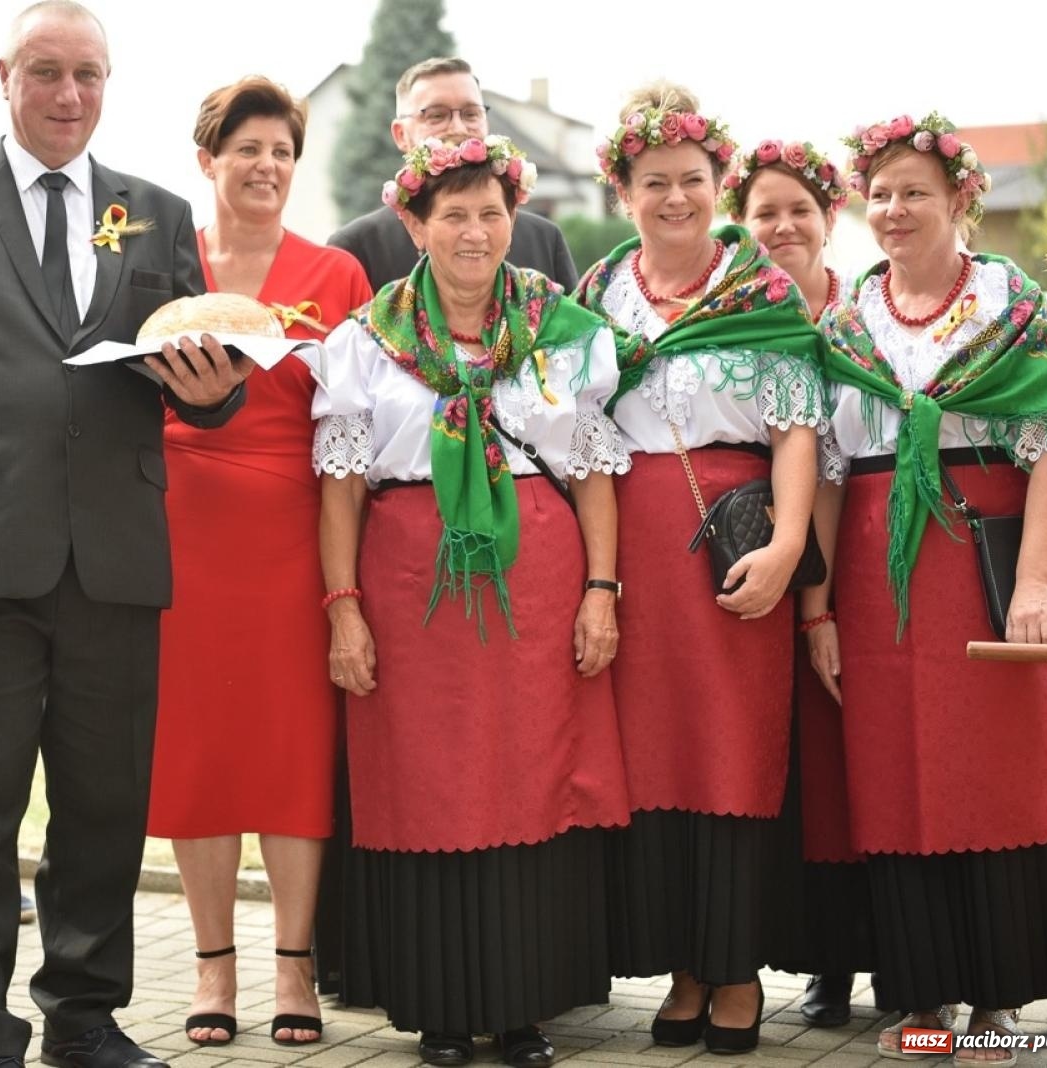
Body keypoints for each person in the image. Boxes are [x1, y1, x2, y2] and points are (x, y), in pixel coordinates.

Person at [0, 4, 249, 1067]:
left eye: (90, 74)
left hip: (117, 552)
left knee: (105, 803)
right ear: (4, 75)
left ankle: (84, 1015)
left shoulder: (157, 213)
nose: (69, 95)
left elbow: (198, 368)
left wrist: (213, 396)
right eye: (47, 72)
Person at [317, 134, 631, 1068]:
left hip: (539, 584)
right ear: (412, 224)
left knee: (536, 773)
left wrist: (601, 594)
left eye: (490, 212)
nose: (475, 230)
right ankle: (444, 1010)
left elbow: (592, 472)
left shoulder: (563, 331)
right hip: (412, 589)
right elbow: (339, 484)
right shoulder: (362, 342)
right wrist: (343, 607)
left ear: (514, 222)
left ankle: (525, 1005)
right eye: (452, 213)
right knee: (428, 788)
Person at [575, 83, 826, 1054]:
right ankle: (681, 966)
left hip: (736, 544)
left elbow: (797, 428)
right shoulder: (598, 294)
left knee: (734, 757)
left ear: (716, 184)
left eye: (690, 180)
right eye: (653, 183)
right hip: (629, 550)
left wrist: (789, 546)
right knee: (654, 766)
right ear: (624, 190)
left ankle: (737, 973)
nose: (673, 197)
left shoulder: (758, 290)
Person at [815, 113, 1047, 1064]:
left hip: (986, 560)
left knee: (996, 766)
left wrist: (1035, 582)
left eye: (915, 190)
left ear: (962, 197)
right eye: (879, 194)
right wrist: (819, 609)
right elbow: (832, 472)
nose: (894, 210)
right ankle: (918, 996)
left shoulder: (1018, 314)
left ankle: (998, 1003)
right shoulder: (843, 326)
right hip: (882, 578)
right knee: (894, 775)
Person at [144, 76, 371, 1049]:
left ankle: (293, 965)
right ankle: (209, 965)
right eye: (247, 150)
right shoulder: (163, 266)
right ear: (208, 162)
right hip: (179, 537)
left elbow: (352, 434)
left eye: (280, 151)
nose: (266, 166)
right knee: (195, 752)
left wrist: (343, 587)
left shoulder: (337, 275)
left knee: (288, 750)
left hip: (290, 537)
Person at [722, 139, 869, 1029]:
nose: (781, 227)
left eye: (798, 211)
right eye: (763, 212)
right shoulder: (739, 317)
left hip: (861, 557)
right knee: (793, 774)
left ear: (829, 219)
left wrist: (823, 599)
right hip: (768, 556)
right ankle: (822, 961)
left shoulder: (860, 324)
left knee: (855, 765)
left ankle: (871, 951)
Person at [327, 57, 577, 293]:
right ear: (400, 134)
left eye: (471, 114)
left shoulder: (543, 238)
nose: (458, 128)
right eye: (436, 115)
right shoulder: (357, 248)